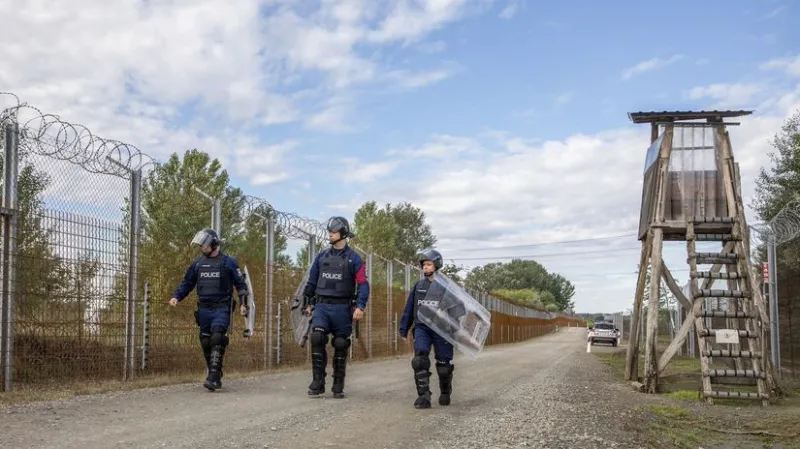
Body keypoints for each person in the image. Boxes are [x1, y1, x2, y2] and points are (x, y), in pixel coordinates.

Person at [169, 228, 249, 391]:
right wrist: (177, 296)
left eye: (204, 245)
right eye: (201, 246)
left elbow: (241, 286)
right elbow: (187, 283)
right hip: (204, 309)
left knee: (217, 337)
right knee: (205, 341)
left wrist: (243, 303)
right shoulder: (198, 263)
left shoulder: (228, 262)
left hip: (222, 308)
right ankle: (216, 372)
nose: (202, 248)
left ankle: (212, 376)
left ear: (213, 244)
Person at [302, 216, 369, 398]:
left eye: (333, 232)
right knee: (317, 337)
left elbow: (363, 284)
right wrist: (307, 301)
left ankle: (338, 384)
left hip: (342, 308)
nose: (330, 235)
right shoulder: (321, 257)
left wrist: (360, 307)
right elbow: (312, 281)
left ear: (343, 233)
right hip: (322, 306)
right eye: (330, 232)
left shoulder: (354, 259)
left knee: (340, 343)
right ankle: (318, 381)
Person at [398, 248, 455, 409]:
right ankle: (423, 396)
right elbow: (410, 308)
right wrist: (404, 328)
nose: (425, 267)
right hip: (422, 327)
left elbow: (459, 312)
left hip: (442, 329)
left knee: (444, 366)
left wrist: (456, 332)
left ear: (436, 265)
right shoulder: (419, 286)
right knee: (419, 359)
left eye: (429, 264)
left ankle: (445, 391)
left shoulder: (446, 287)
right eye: (424, 265)